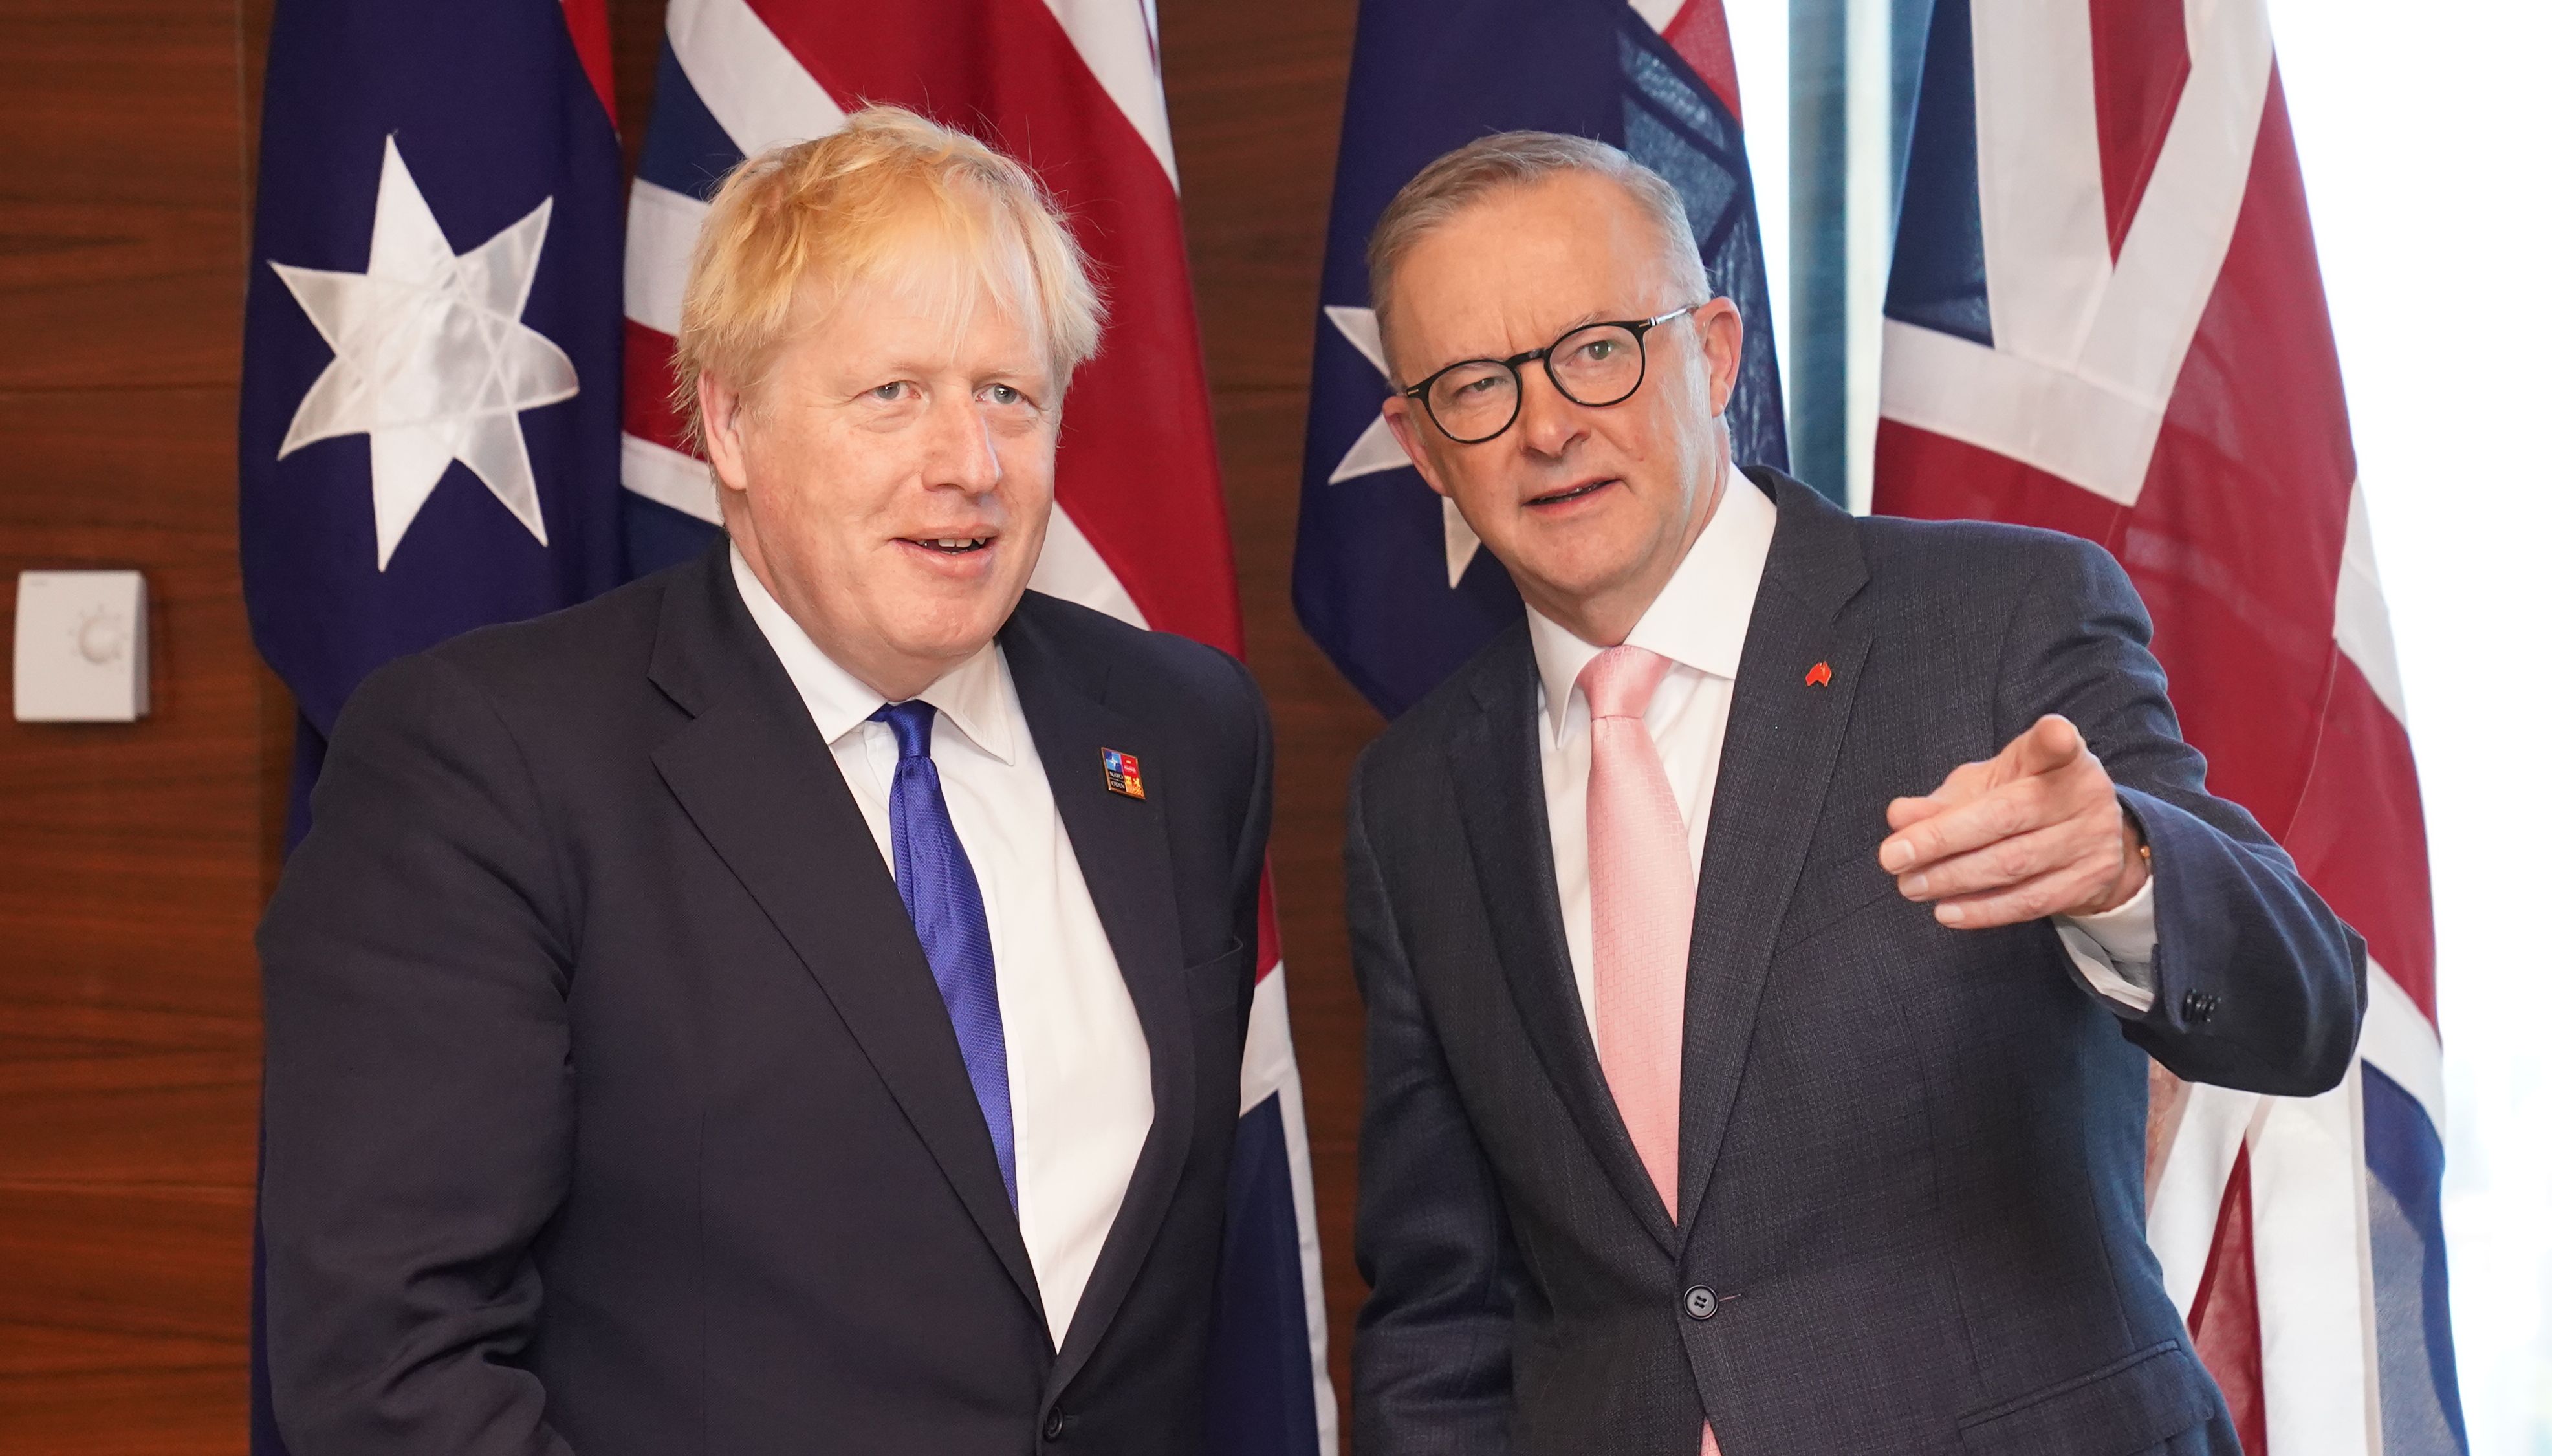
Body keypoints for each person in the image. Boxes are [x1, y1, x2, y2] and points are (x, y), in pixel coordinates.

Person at [258, 107, 1272, 1455]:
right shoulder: (488, 759)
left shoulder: (1182, 732)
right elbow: (393, 1362)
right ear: (728, 422)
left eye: (1008, 395)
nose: (967, 463)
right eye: (891, 393)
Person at [1344, 131, 2364, 1456]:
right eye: (1476, 384)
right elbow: (1440, 1312)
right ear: (1417, 443)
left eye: (1596, 348)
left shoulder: (1999, 616)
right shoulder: (1410, 798)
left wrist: (2124, 866)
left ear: (1710, 354)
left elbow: (2305, 1008)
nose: (1545, 426)